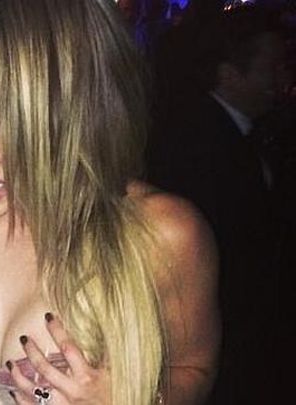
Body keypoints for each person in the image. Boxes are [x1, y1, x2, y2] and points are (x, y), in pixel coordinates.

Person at [0, 0, 220, 404]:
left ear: (78, 112)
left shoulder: (159, 232)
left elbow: (194, 369)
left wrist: (126, 398)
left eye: (26, 117)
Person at [147, 4, 289, 403]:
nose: (282, 79)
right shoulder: (196, 144)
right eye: (271, 68)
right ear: (229, 74)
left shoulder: (258, 132)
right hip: (224, 341)